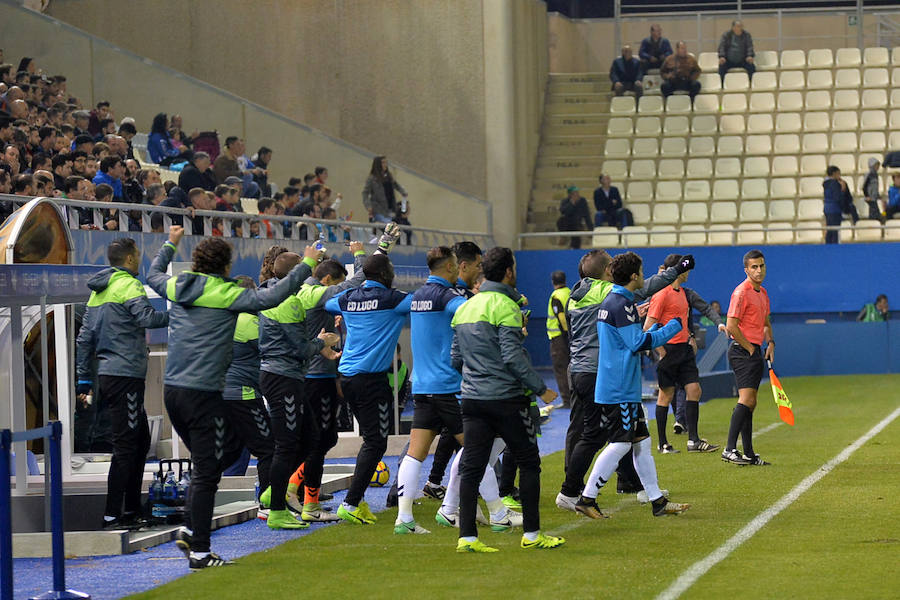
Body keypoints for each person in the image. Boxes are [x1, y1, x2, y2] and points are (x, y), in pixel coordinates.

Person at [146, 226, 322, 569]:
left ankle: (191, 530)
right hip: (204, 393)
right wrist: (307, 266)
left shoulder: (179, 285)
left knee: (219, 455)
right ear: (226, 266)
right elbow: (271, 298)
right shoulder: (226, 293)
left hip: (173, 392)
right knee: (208, 471)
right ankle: (199, 549)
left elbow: (152, 274)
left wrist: (170, 243)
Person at [557, 250, 690, 512]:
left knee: (634, 439)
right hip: (612, 379)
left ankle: (653, 498)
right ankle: (582, 495)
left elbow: (625, 333)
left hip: (587, 370)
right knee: (611, 439)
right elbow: (635, 341)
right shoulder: (613, 297)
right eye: (639, 272)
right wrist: (672, 325)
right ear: (610, 271)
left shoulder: (580, 297)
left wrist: (638, 321)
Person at [450, 247, 562, 553]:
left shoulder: (465, 308)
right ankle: (533, 534)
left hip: (472, 398)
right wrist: (542, 389)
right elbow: (512, 357)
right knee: (528, 462)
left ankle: (468, 538)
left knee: (471, 467)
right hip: (506, 399)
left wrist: (478, 374)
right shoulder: (505, 306)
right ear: (509, 272)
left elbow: (455, 359)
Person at [75, 238, 168, 529]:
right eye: (138, 256)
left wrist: (84, 379)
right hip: (126, 374)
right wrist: (180, 314)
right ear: (130, 258)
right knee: (127, 445)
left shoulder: (97, 292)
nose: (139, 261)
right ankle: (113, 514)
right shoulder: (129, 285)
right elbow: (147, 318)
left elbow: (84, 339)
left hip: (109, 374)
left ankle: (131, 508)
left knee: (138, 441)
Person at [324, 227, 409, 525]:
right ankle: (351, 502)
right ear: (386, 274)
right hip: (371, 380)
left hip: (346, 377)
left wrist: (372, 254)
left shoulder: (345, 299)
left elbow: (328, 302)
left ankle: (353, 500)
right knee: (376, 441)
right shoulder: (394, 299)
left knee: (371, 440)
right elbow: (423, 304)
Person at [256, 251, 341, 530]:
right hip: (283, 379)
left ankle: (275, 492)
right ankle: (277, 509)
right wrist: (322, 342)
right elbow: (300, 349)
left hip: (285, 376)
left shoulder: (270, 294)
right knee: (287, 444)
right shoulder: (288, 303)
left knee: (311, 436)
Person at [287, 242, 371, 522]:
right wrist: (360, 255)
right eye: (338, 283)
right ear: (326, 281)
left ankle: (292, 489)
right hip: (315, 377)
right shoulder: (313, 292)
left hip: (317, 374)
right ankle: (301, 498)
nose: (341, 289)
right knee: (319, 441)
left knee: (324, 439)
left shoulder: (309, 292)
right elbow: (357, 283)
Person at [645, 254, 723, 455]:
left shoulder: (682, 293)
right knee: (665, 396)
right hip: (668, 350)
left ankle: (693, 441)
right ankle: (662, 444)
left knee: (694, 390)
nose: (688, 273)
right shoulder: (661, 294)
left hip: (684, 350)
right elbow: (648, 326)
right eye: (685, 269)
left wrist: (689, 337)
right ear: (678, 270)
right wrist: (660, 349)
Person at [221, 275, 275, 514]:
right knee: (267, 448)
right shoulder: (247, 321)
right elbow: (270, 348)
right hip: (243, 394)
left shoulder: (223, 319)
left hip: (220, 392)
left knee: (231, 449)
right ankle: (268, 502)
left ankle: (205, 491)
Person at [722, 249, 775, 466]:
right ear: (746, 269)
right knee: (746, 400)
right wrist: (751, 349)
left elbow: (765, 322)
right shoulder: (741, 293)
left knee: (751, 403)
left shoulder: (762, 293)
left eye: (761, 266)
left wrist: (770, 342)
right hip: (742, 351)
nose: (759, 270)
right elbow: (731, 325)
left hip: (754, 350)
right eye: (754, 267)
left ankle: (749, 453)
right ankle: (729, 449)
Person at [546, 270, 571, 408]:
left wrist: (566, 334)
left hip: (559, 338)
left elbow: (561, 317)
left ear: (553, 282)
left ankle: (567, 400)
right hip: (571, 336)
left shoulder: (556, 296)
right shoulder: (570, 292)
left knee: (561, 368)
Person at [362, 155, 407, 223]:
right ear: (378, 164)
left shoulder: (389, 176)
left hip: (390, 209)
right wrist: (368, 206)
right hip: (378, 209)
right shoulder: (372, 179)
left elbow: (395, 184)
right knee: (389, 225)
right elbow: (365, 193)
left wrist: (403, 192)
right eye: (383, 163)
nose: (385, 165)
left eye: (386, 162)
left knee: (397, 226)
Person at [823, 165, 846, 244]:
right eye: (838, 174)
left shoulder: (826, 184)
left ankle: (827, 245)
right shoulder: (834, 184)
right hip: (834, 209)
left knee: (829, 229)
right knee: (835, 230)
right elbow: (837, 197)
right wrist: (842, 190)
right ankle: (834, 247)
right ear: (834, 173)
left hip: (827, 208)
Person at [861, 158, 885, 222]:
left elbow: (875, 187)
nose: (878, 167)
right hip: (870, 197)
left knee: (873, 212)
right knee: (875, 212)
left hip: (874, 197)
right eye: (876, 165)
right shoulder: (869, 174)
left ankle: (874, 222)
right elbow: (864, 186)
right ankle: (875, 222)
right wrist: (867, 196)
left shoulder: (876, 175)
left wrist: (878, 196)